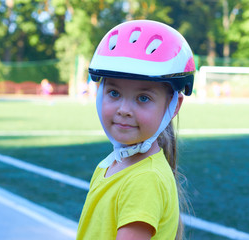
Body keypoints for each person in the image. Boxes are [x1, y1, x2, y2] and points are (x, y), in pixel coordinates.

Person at [77, 20, 195, 240]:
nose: (124, 110)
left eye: (143, 98)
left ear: (173, 106)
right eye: (114, 93)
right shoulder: (112, 164)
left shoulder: (145, 180)